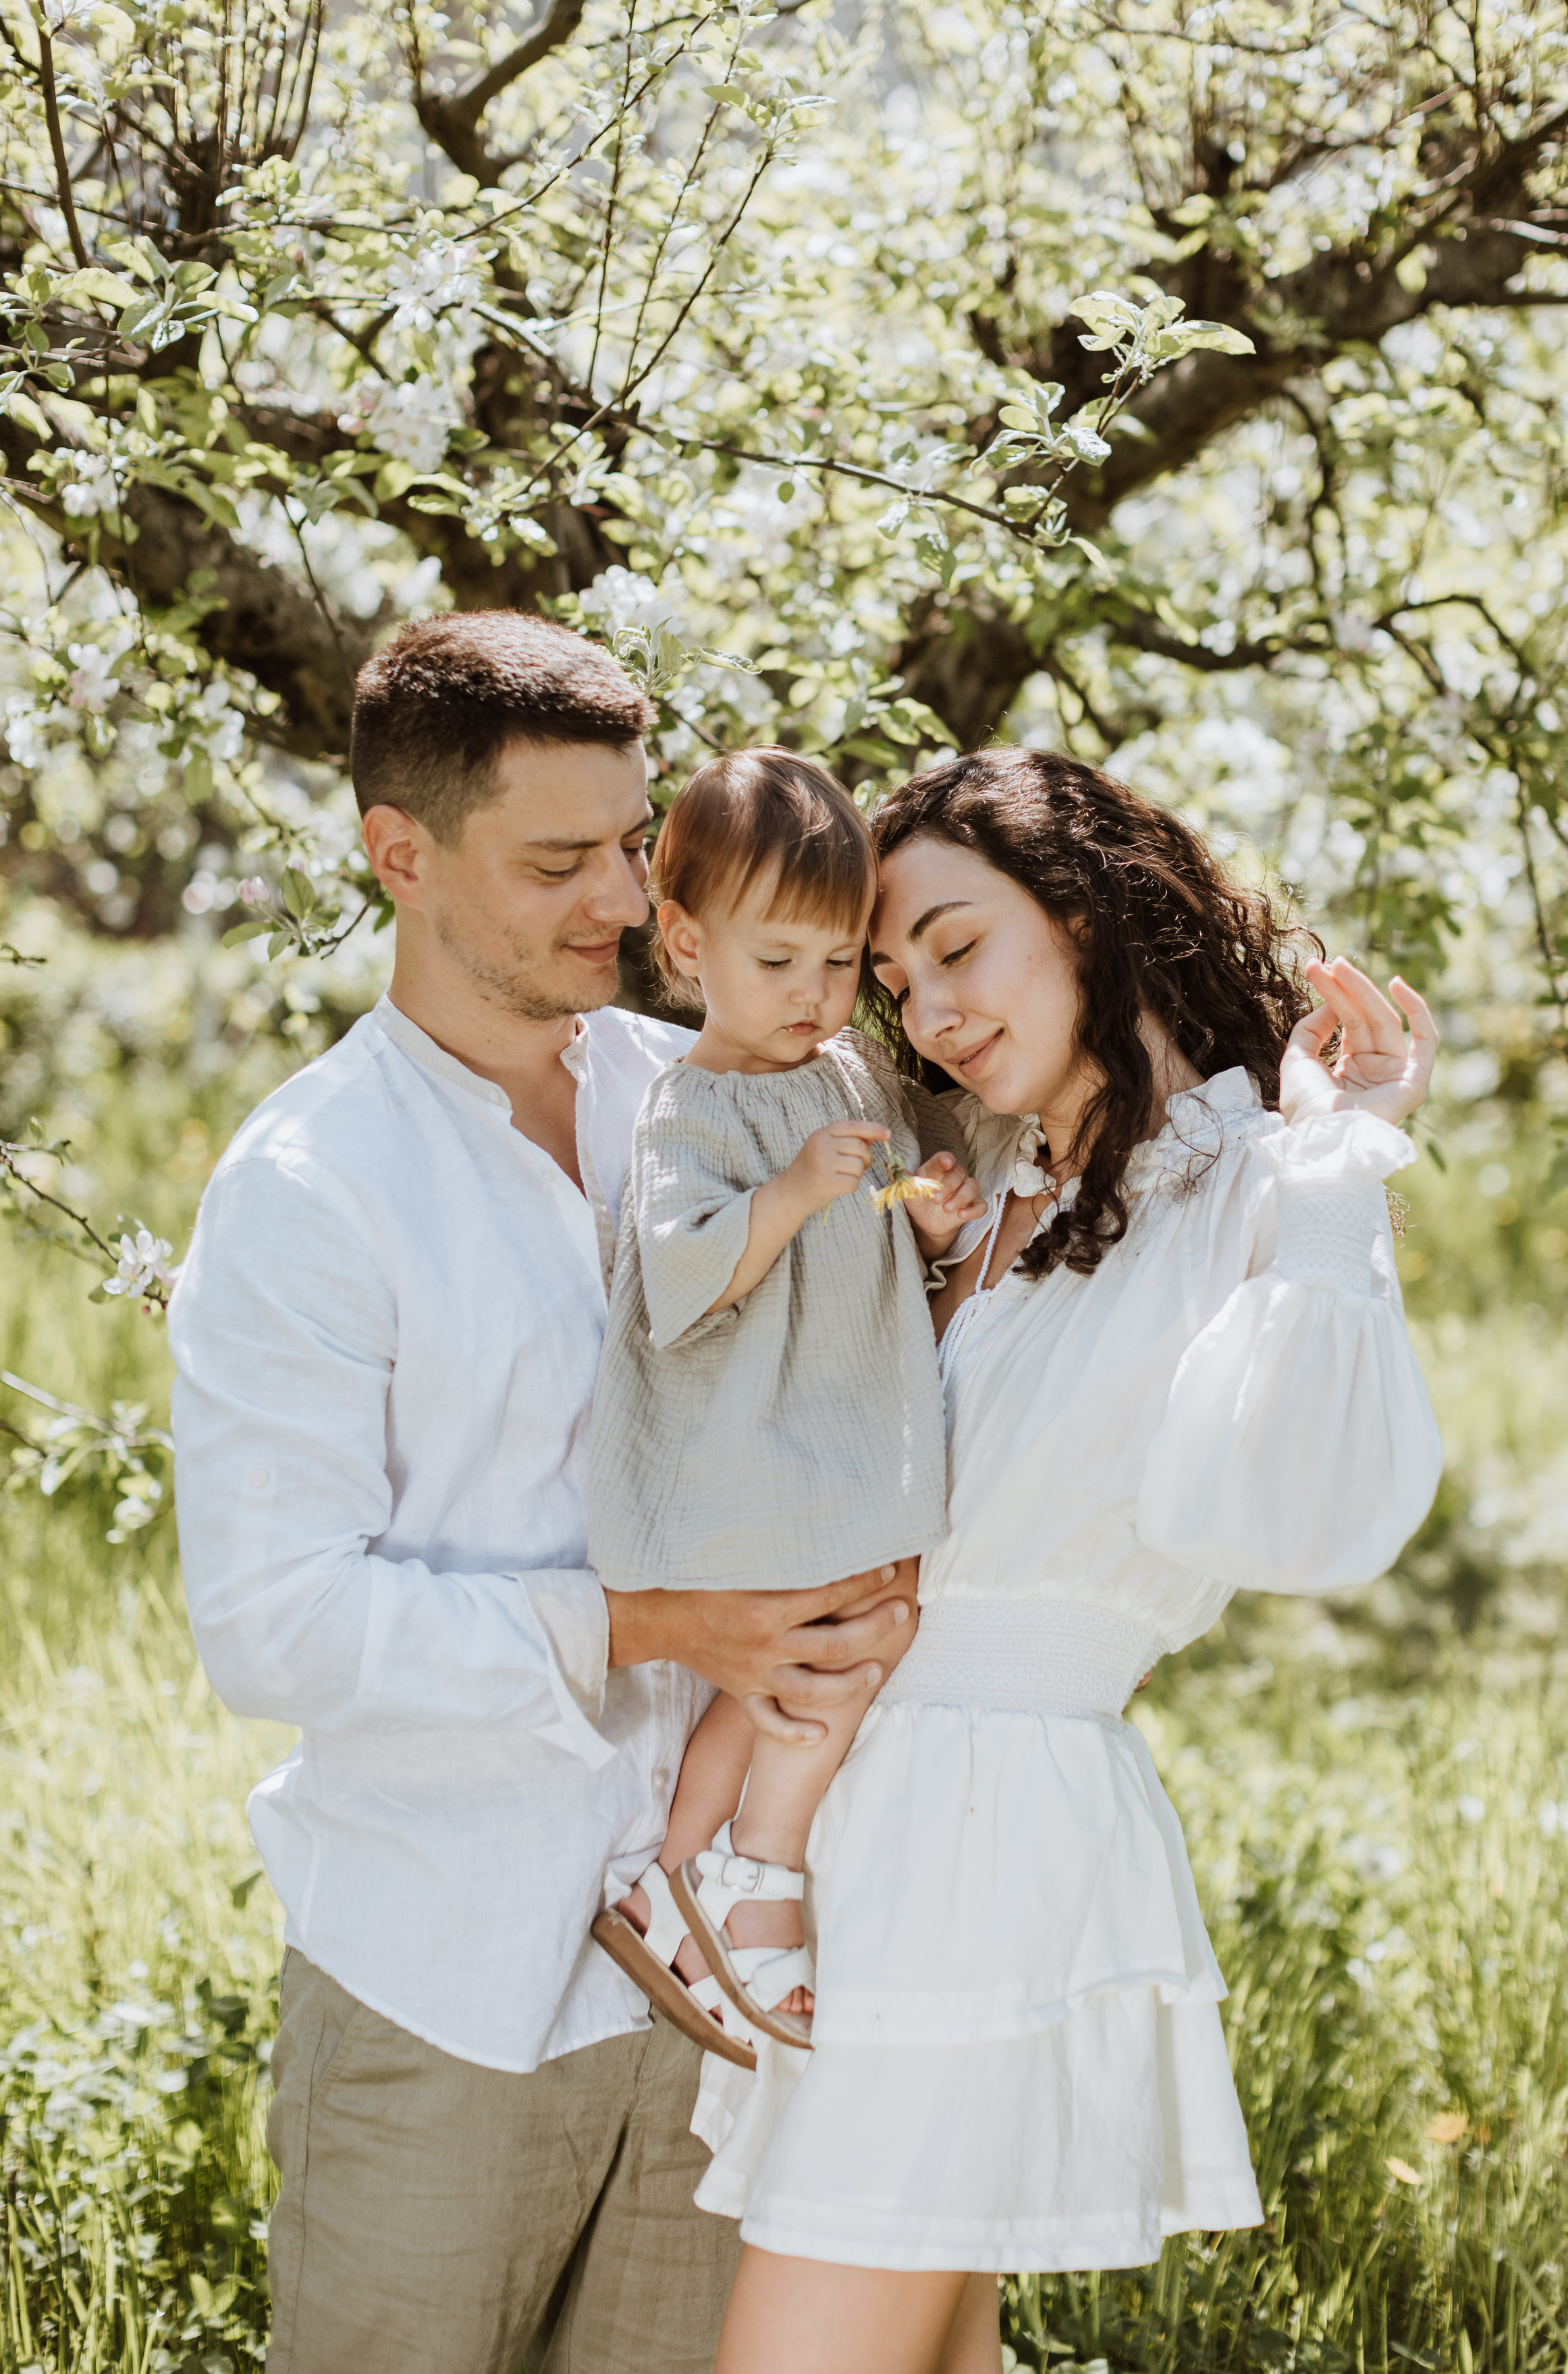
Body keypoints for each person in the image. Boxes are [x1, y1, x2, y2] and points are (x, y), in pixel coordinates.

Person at [167, 612, 915, 2374]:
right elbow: (273, 1622)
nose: (622, 898)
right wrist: (660, 1628)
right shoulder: (309, 1185)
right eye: (559, 858)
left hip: (726, 1976)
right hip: (446, 1982)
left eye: (634, 844)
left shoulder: (713, 1092)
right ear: (400, 855)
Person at [692, 747, 1447, 2374]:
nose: (930, 1011)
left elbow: (1304, 1516)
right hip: (866, 1824)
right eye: (895, 983)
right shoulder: (1015, 1190)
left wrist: (1339, 1156)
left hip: (984, 1834)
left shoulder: (1259, 1174)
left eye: (957, 947)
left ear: (1090, 913)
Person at [586, 751, 985, 2056]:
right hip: (752, 1445)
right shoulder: (690, 1106)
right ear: (688, 942)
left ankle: (667, 1880)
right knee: (850, 1645)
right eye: (779, 963)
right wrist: (793, 1194)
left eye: (836, 964)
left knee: (772, 1680)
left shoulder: (852, 1077)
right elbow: (681, 1275)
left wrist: (924, 1221)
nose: (815, 996)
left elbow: (878, 1231)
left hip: (835, 1435)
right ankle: (761, 1873)